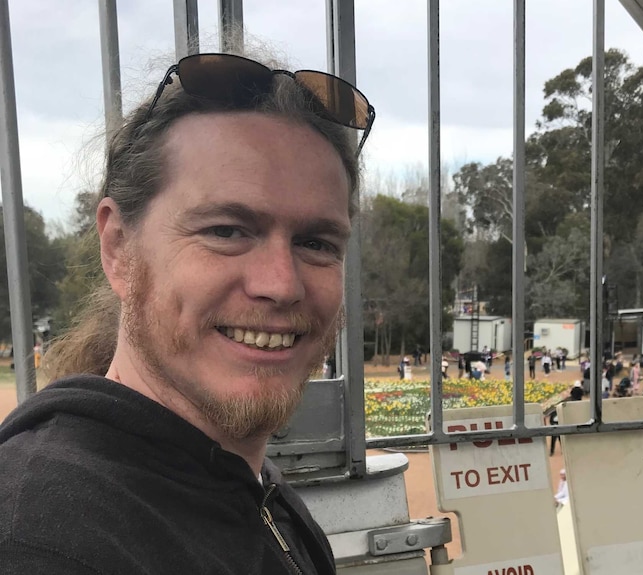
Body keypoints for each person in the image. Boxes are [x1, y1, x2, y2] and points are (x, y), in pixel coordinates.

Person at [0, 50, 375, 573]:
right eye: (226, 231)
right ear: (118, 247)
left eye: (316, 242)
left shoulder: (253, 491)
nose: (281, 285)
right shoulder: (39, 541)